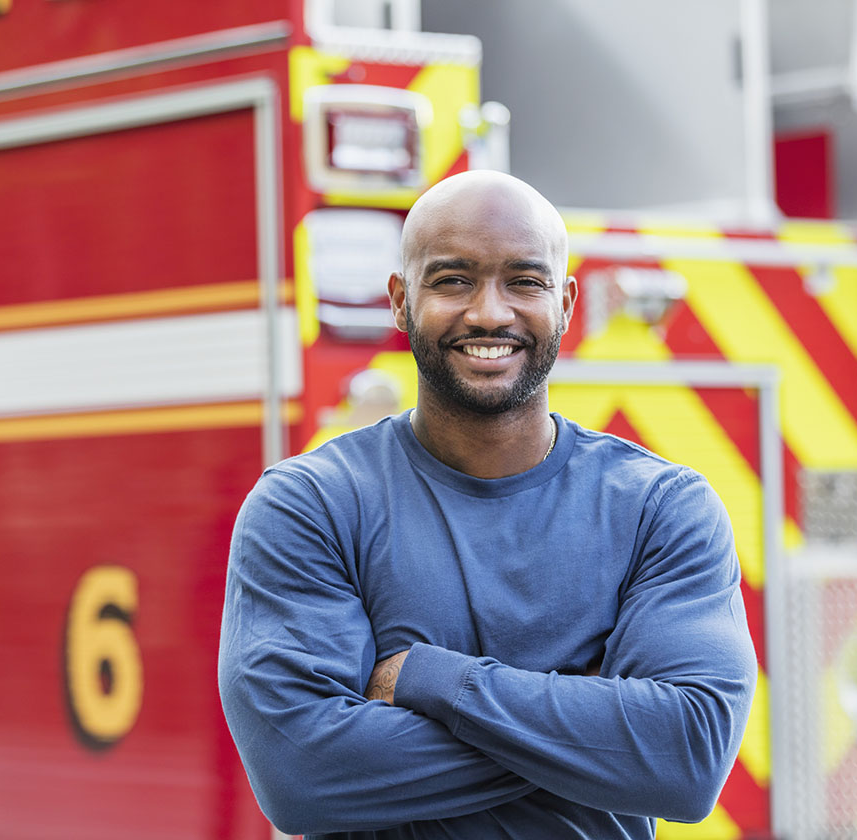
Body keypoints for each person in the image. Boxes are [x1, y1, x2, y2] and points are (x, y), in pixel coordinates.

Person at [218, 171, 757, 839]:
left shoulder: (658, 509)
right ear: (399, 300)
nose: (489, 314)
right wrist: (595, 730)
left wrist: (429, 679)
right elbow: (302, 774)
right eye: (452, 280)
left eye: (524, 282)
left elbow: (686, 757)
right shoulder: (312, 505)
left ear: (563, 303)